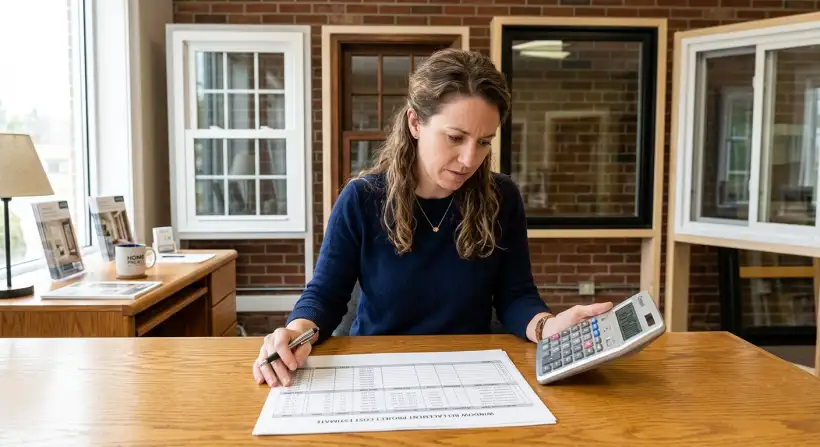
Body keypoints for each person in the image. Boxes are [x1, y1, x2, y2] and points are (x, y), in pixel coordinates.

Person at [252, 48, 613, 387]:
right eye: (455, 137)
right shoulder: (363, 199)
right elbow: (326, 296)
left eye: (485, 141)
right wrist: (295, 331)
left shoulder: (502, 198)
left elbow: (515, 296)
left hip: (472, 373)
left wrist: (548, 328)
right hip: (375, 371)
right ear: (415, 123)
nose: (471, 159)